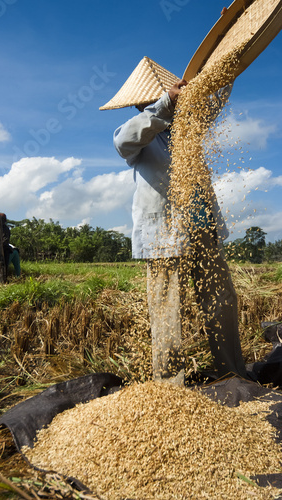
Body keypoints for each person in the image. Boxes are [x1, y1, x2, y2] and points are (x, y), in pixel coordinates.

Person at [100, 56, 248, 384]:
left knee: (221, 300)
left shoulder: (187, 127)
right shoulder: (142, 133)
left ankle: (232, 374)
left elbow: (212, 102)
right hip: (165, 233)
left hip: (202, 228)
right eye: (165, 98)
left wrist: (230, 53)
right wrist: (165, 105)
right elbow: (123, 142)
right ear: (147, 102)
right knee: (167, 308)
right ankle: (171, 388)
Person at [0, 213, 21, 279]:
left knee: (5, 263)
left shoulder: (6, 228)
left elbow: (6, 239)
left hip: (5, 248)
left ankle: (8, 277)